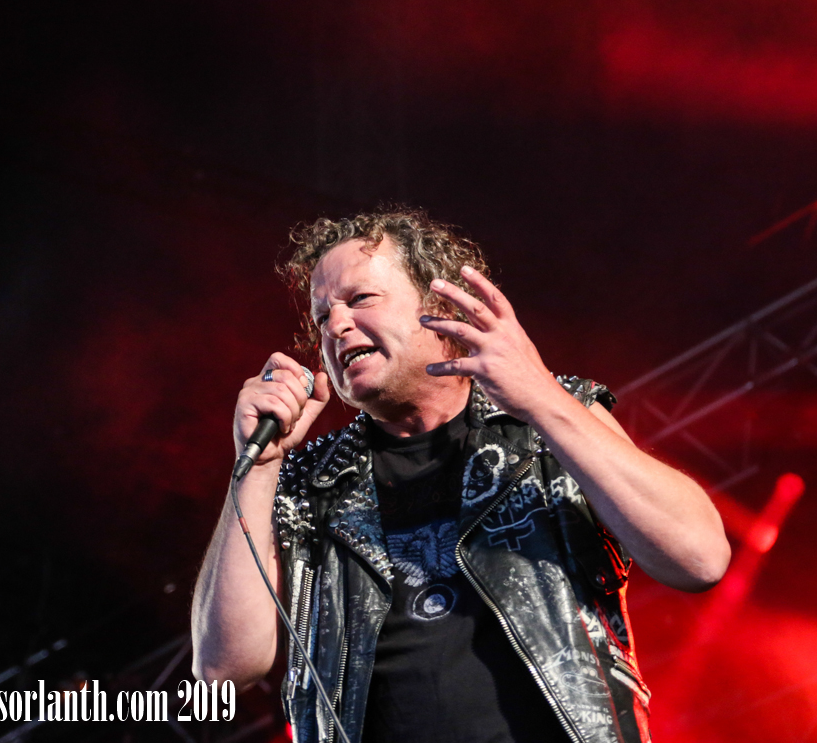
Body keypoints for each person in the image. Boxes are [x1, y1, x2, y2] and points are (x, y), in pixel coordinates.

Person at [191, 208, 730, 743]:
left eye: (360, 299)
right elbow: (222, 672)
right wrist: (257, 468)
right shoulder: (311, 482)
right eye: (322, 317)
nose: (335, 326)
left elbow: (699, 558)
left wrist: (541, 396)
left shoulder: (543, 425)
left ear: (439, 306)